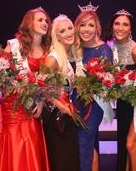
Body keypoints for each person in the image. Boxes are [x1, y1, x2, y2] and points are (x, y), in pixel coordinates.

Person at [0, 7, 51, 171]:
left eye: (46, 21)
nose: (44, 23)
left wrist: (41, 100)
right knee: (15, 141)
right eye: (40, 20)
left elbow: (49, 82)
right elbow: (0, 75)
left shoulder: (47, 51)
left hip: (32, 104)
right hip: (12, 105)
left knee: (32, 139)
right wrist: (18, 87)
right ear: (29, 23)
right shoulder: (14, 46)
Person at [103, 9, 136, 171]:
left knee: (131, 144)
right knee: (126, 144)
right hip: (123, 104)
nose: (120, 28)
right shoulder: (109, 48)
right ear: (112, 26)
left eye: (125, 24)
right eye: (117, 23)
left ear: (130, 29)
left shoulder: (135, 50)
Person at [72, 2, 114, 171]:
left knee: (84, 142)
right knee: (88, 142)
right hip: (75, 102)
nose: (87, 29)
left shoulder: (103, 50)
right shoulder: (75, 48)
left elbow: (107, 80)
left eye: (91, 25)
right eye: (83, 25)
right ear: (77, 27)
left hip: (93, 104)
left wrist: (90, 87)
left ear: (97, 28)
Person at [41, 14, 80, 171]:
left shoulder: (73, 54)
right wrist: (58, 103)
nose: (68, 33)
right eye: (62, 31)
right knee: (62, 158)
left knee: (70, 157)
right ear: (55, 36)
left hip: (67, 112)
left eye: (70, 28)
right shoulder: (54, 57)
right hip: (55, 115)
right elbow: (39, 85)